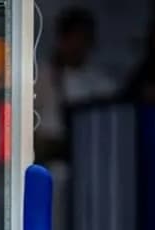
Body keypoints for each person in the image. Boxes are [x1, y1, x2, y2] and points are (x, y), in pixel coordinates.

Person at [34, 8, 115, 162]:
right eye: (73, 38)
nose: (77, 45)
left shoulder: (103, 84)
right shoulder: (39, 77)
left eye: (83, 39)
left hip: (89, 160)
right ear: (61, 39)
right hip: (49, 163)